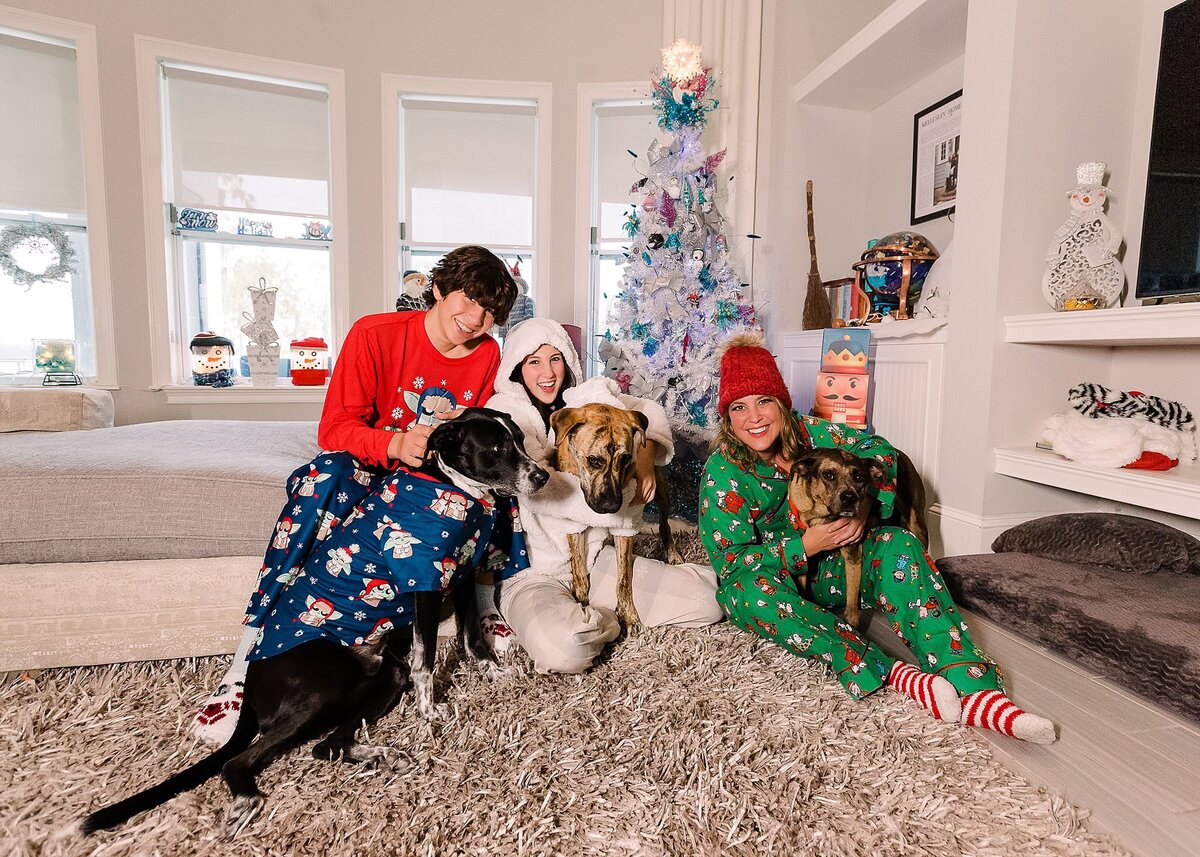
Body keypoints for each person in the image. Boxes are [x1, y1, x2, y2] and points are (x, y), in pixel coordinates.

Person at [190, 245, 519, 745]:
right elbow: (335, 428)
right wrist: (394, 443)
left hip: (430, 485)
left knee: (503, 481)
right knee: (325, 477)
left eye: (490, 313)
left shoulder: (488, 354)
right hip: (371, 467)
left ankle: (484, 605)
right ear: (438, 289)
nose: (476, 320)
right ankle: (247, 657)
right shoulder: (375, 333)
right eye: (468, 300)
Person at [698, 332, 1056, 744]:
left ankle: (976, 690)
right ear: (728, 418)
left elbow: (881, 454)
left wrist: (863, 511)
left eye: (764, 401)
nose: (754, 417)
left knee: (899, 545)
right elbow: (731, 561)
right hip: (775, 585)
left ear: (781, 403)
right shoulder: (721, 473)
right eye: (739, 407)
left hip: (836, 572)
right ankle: (892, 672)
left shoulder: (812, 432)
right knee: (743, 592)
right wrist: (804, 546)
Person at [484, 318, 723, 673]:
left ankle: (689, 579)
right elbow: (542, 492)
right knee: (564, 651)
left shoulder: (586, 401)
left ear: (568, 361)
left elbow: (649, 413)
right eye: (533, 361)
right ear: (516, 368)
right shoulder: (506, 415)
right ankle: (607, 622)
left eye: (556, 359)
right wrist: (624, 503)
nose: (547, 372)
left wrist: (643, 456)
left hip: (596, 559)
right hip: (534, 574)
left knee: (709, 604)